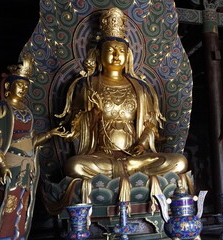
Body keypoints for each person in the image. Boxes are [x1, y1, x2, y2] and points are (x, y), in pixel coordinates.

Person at [56, 8, 188, 203]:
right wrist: (91, 114)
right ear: (98, 55)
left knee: (179, 162)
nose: (117, 55)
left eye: (122, 51)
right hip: (101, 156)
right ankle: (131, 174)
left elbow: (150, 125)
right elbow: (76, 127)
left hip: (135, 157)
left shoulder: (141, 89)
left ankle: (130, 169)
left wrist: (142, 145)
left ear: (129, 56)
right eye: (110, 50)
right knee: (74, 166)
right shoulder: (87, 85)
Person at [0, 54, 65, 240]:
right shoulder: (3, 108)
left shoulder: (27, 111)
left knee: (24, 205)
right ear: (8, 86)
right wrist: (2, 165)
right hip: (11, 161)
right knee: (9, 203)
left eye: (26, 86)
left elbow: (32, 141)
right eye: (19, 84)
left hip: (28, 165)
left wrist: (51, 134)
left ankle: (18, 235)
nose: (23, 89)